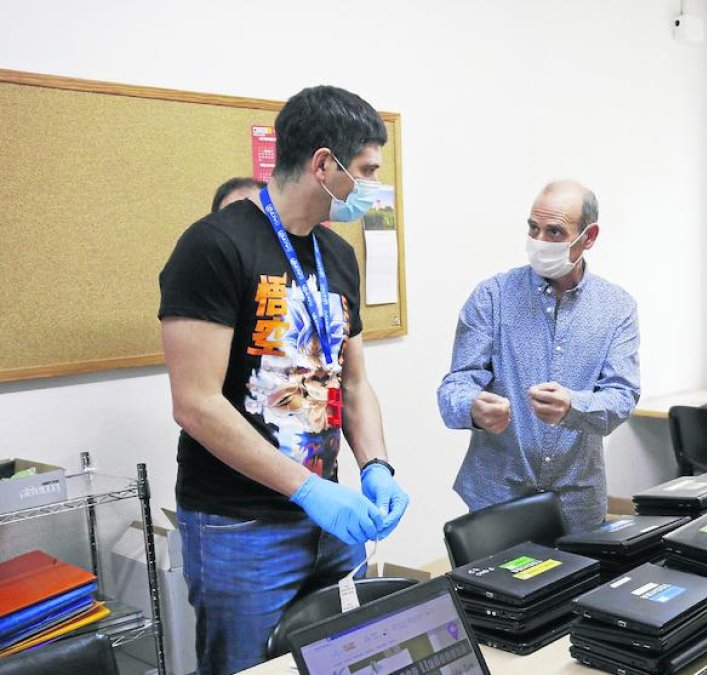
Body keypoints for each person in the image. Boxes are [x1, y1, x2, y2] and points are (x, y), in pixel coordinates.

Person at [159, 86, 409, 675]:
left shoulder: (336, 254)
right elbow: (195, 405)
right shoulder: (214, 245)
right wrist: (305, 489)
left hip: (332, 520)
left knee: (342, 662)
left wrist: (376, 466)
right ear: (325, 164)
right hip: (240, 529)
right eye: (367, 170)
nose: (371, 186)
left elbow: (353, 382)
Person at [437, 180, 640, 533]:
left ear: (588, 238)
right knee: (496, 588)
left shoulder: (616, 308)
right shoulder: (493, 297)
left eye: (555, 232)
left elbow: (621, 396)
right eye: (534, 228)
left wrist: (574, 406)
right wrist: (473, 407)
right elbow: (455, 385)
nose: (540, 242)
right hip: (497, 498)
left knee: (580, 588)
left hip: (577, 503)